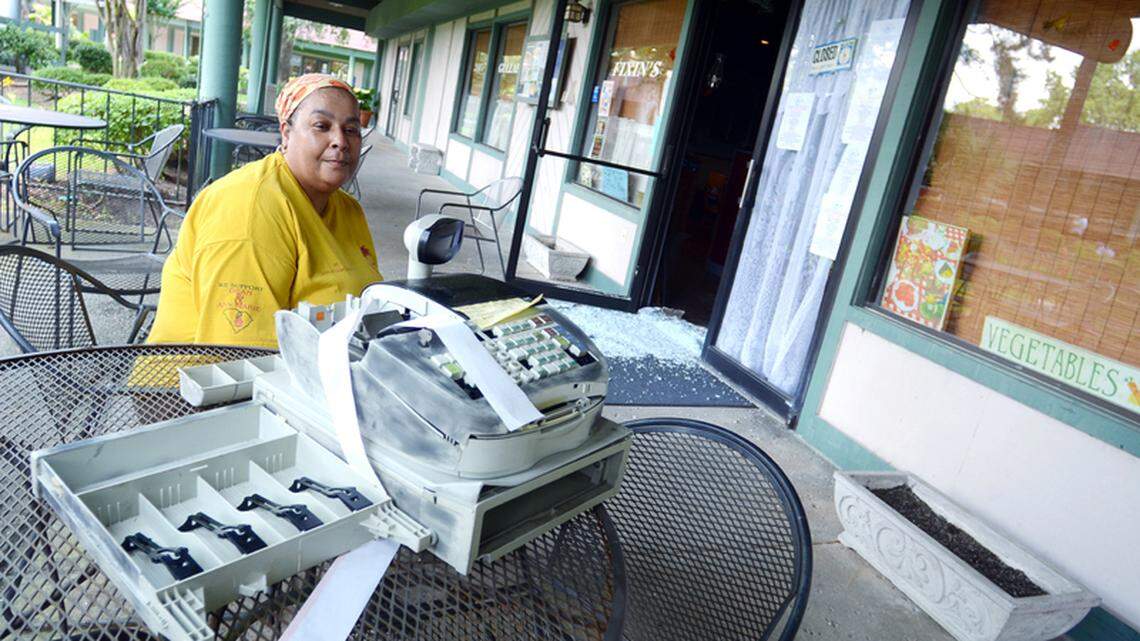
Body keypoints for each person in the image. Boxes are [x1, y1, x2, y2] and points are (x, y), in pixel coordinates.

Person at [147, 74, 381, 349]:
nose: (340, 141)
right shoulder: (251, 207)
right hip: (197, 385)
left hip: (325, 371)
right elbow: (237, 355)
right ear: (286, 132)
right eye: (321, 126)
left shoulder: (348, 209)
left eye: (351, 130)